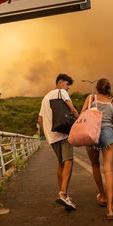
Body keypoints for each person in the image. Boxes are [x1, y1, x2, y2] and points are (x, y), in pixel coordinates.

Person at [38, 73, 79, 210]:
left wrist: (47, 135)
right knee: (69, 161)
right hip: (63, 132)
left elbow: (40, 120)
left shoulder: (45, 98)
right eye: (67, 85)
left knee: (61, 163)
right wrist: (80, 122)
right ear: (61, 82)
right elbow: (72, 109)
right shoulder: (61, 92)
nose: (67, 89)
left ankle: (62, 194)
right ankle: (63, 193)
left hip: (52, 136)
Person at [81, 78, 113, 220]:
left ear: (97, 88)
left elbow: (82, 116)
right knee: (108, 170)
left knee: (95, 164)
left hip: (92, 133)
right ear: (108, 88)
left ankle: (102, 196)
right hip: (108, 132)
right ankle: (110, 209)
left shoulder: (90, 98)